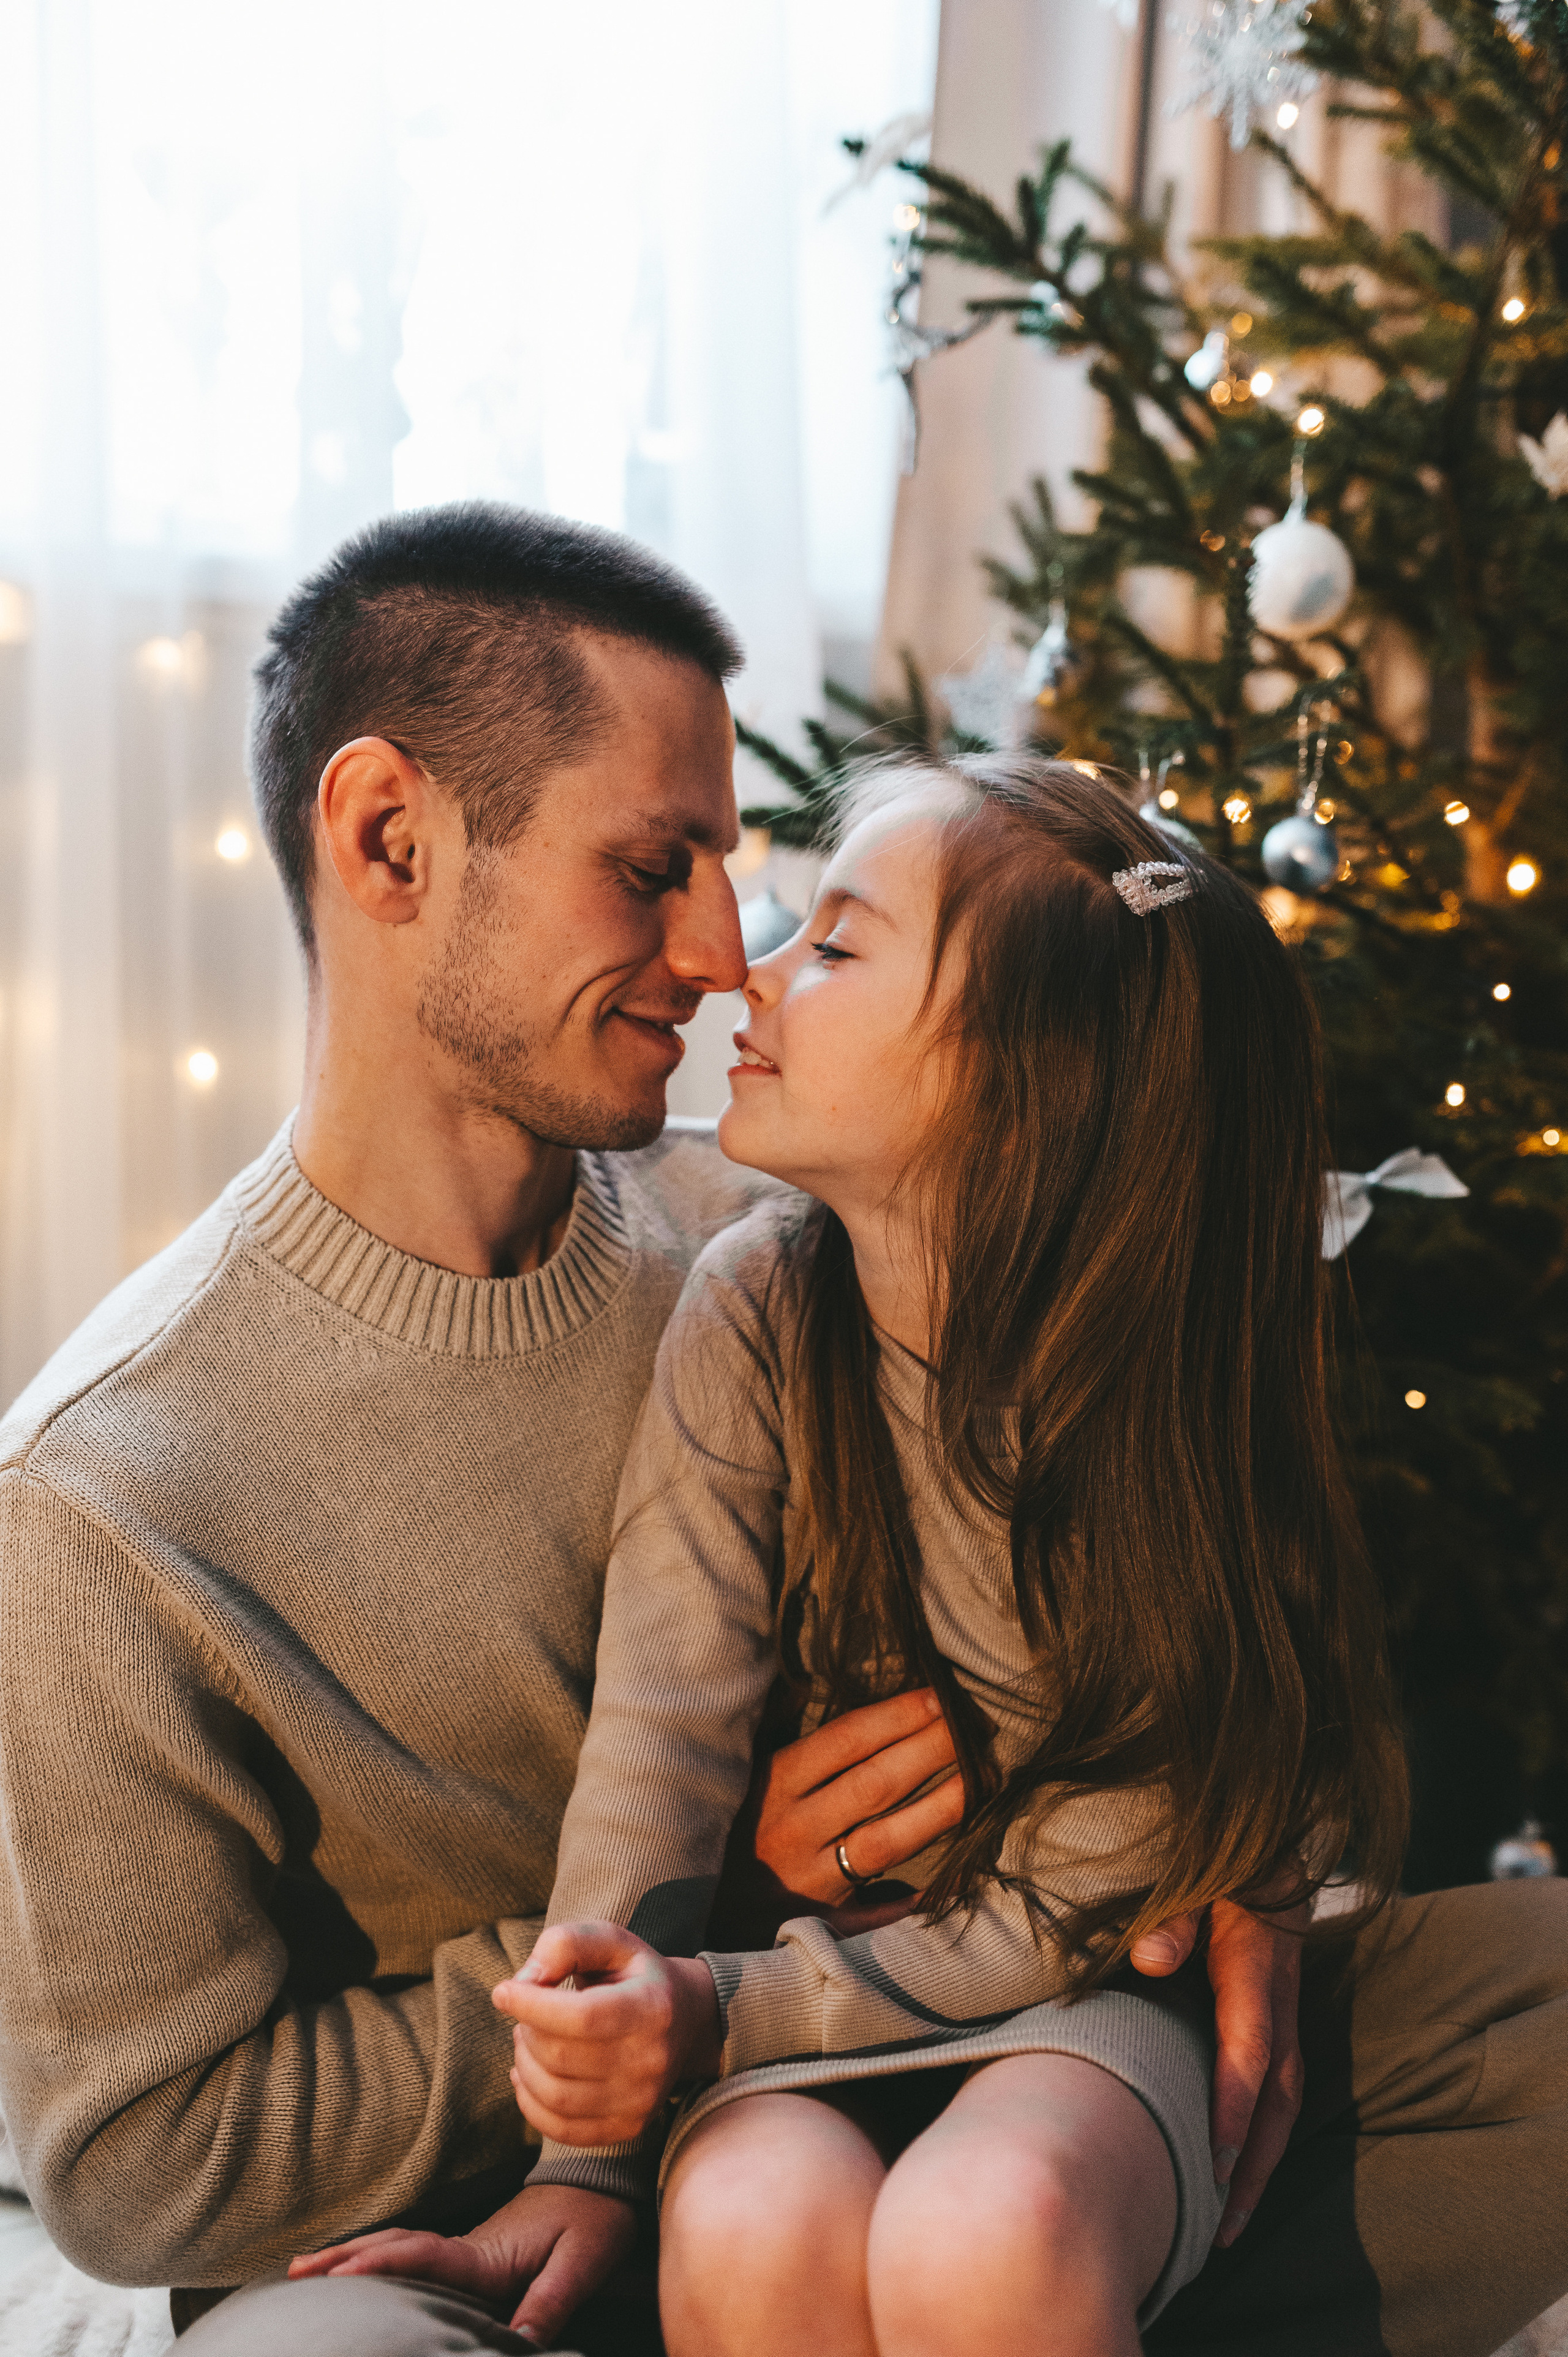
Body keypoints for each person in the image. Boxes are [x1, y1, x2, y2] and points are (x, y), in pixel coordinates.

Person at [0, 507, 1292, 2357]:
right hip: (438, 2234)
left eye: (736, 874)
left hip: (908, 2082)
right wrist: (672, 1970)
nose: (721, 956)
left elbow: (1175, 1503)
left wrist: (1231, 1860)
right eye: (649, 868)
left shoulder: (789, 1235)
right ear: (390, 842)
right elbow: (131, 2171)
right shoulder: (102, 1495)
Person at [285, 757, 1568, 2357]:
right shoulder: (756, 1309)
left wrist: (715, 2009)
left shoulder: (1163, 1401)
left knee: (992, 2234)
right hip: (800, 2005)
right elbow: (660, 1732)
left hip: (1082, 1998)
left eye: (832, 949)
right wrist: (592, 2147)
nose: (743, 971)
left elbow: (1102, 1890)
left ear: (1016, 1076)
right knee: (756, 2230)